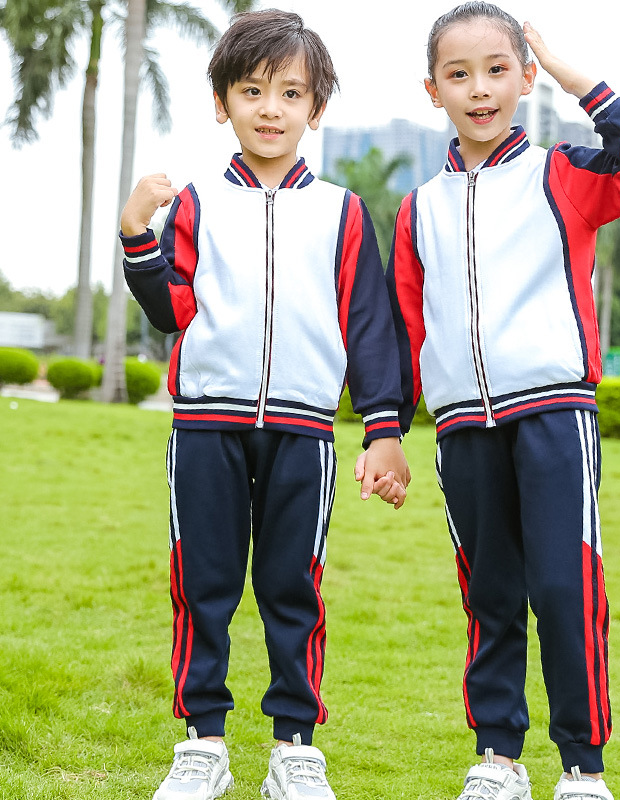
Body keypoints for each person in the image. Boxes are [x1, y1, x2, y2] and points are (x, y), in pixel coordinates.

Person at [386, 3, 620, 800]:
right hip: (462, 428)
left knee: (563, 586)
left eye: (497, 70)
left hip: (553, 415)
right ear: (433, 89)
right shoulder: (418, 209)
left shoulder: (564, 176)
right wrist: (388, 431)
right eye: (458, 75)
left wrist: (573, 76)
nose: (479, 89)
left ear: (523, 78)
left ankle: (583, 767)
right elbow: (406, 328)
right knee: (489, 594)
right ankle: (497, 757)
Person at [119, 10, 410, 800]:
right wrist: (137, 234)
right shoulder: (196, 203)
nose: (270, 108)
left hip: (304, 430)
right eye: (251, 91)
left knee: (293, 587)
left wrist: (383, 429)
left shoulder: (343, 211)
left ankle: (294, 749)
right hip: (205, 425)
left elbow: (369, 327)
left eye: (290, 92)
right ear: (222, 104)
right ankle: (202, 744)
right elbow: (171, 310)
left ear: (316, 107)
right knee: (203, 584)